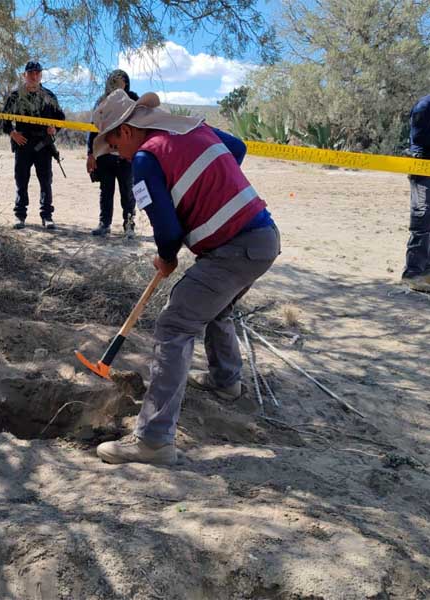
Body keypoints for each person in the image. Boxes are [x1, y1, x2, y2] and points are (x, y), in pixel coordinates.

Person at [90, 90, 280, 465]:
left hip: (235, 249)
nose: (117, 154)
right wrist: (208, 186)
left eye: (113, 144)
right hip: (263, 239)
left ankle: (154, 440)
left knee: (175, 324)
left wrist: (165, 258)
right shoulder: (191, 129)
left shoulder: (146, 158)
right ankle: (226, 381)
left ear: (126, 130)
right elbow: (236, 148)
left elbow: (167, 230)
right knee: (215, 306)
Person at [1, 61, 65, 230]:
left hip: (43, 145)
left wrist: (54, 128)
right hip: (23, 144)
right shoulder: (15, 96)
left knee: (45, 181)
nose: (34, 76)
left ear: (41, 75)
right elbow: (4, 120)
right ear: (25, 75)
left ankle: (47, 216)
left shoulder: (49, 96)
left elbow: (60, 118)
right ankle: (20, 215)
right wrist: (13, 133)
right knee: (21, 180)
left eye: (37, 73)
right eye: (31, 73)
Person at [86, 70, 139, 238]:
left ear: (126, 83)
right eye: (113, 80)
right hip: (105, 155)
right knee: (106, 192)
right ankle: (104, 224)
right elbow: (93, 129)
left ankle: (129, 226)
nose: (117, 84)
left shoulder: (134, 100)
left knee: (127, 193)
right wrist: (90, 154)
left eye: (120, 80)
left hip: (126, 157)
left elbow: (139, 128)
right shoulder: (101, 102)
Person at [402, 94, 430, 291]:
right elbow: (419, 142)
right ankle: (413, 274)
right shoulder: (424, 106)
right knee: (422, 217)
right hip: (422, 168)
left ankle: (427, 273)